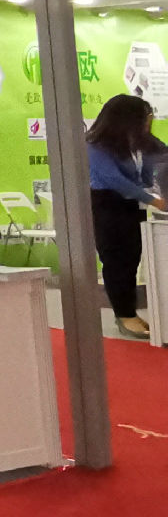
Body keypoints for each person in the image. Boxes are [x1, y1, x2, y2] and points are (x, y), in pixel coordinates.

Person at [87, 93, 167, 339]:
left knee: (132, 258)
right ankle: (124, 314)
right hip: (108, 206)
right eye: (144, 118)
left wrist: (153, 188)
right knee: (116, 260)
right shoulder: (95, 146)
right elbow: (114, 180)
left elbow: (159, 161)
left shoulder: (137, 143)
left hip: (132, 207)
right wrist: (153, 200)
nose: (148, 122)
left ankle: (128, 311)